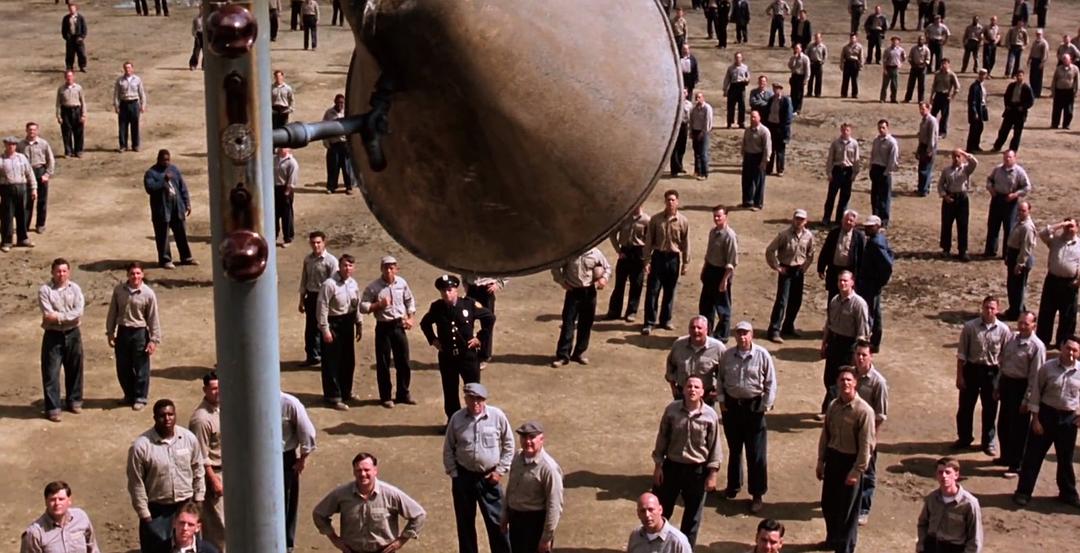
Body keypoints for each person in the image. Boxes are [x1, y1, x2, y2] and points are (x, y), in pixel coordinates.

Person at [651, 377, 722, 548]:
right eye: (689, 386)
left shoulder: (710, 415)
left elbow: (714, 445)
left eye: (696, 387)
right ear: (683, 390)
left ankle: (686, 549)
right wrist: (658, 466)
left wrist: (712, 474)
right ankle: (657, 546)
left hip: (697, 471)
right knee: (662, 510)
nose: (692, 390)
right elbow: (662, 438)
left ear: (702, 392)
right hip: (672, 467)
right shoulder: (672, 410)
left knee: (692, 516)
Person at [127, 399, 205, 553]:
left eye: (171, 414)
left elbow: (198, 469)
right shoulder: (141, 447)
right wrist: (145, 515)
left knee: (190, 547)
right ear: (155, 417)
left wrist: (199, 498)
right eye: (162, 415)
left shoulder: (188, 439)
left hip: (185, 504)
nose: (167, 418)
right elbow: (136, 484)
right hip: (158, 511)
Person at [443, 383, 513, 553]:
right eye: (471, 399)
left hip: (489, 478)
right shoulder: (457, 419)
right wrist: (454, 474)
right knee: (465, 523)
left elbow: (509, 445)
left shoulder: (497, 416)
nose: (475, 403)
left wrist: (500, 471)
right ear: (465, 399)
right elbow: (448, 448)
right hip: (464, 477)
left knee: (497, 522)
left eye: (479, 399)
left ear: (484, 400)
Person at [312, 452, 427, 553]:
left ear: (375, 471)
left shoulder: (391, 494)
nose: (363, 474)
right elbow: (319, 513)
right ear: (354, 472)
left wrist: (401, 540)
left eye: (367, 470)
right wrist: (334, 539)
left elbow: (419, 514)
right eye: (359, 470)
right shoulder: (341, 494)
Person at [1013, 336, 1080, 508]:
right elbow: (1035, 393)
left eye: (1075, 350)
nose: (1070, 353)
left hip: (1068, 419)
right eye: (1068, 348)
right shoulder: (1047, 368)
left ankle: (1068, 493)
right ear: (1061, 347)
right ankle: (1023, 492)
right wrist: (1035, 419)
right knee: (1033, 456)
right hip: (1046, 415)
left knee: (1065, 459)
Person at [718, 322, 777, 513]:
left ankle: (757, 494)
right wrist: (722, 400)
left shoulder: (762, 355)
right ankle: (733, 486)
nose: (742, 337)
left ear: (752, 335)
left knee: (756, 453)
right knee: (734, 449)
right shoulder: (727, 355)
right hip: (732, 407)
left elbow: (770, 382)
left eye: (746, 333)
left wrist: (766, 405)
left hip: (754, 407)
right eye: (739, 333)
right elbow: (720, 379)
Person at [421, 275, 495, 423]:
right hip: (447, 357)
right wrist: (433, 340)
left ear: (456, 290)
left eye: (450, 290)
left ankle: (475, 420)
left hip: (467, 356)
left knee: (473, 389)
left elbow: (489, 318)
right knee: (450, 391)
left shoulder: (468, 304)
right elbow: (425, 323)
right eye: (443, 291)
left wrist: (480, 338)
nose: (447, 294)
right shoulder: (437, 307)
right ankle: (453, 422)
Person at [817, 367, 875, 553]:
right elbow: (825, 435)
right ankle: (832, 539)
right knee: (828, 503)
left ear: (855, 383)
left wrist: (857, 471)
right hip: (833, 459)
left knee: (848, 511)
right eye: (842, 380)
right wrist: (821, 461)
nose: (845, 383)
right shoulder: (833, 406)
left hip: (851, 462)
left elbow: (867, 445)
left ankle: (845, 548)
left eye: (849, 379)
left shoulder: (863, 411)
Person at [954, 295, 1011, 455]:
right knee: (965, 407)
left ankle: (988, 442)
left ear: (997, 310)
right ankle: (964, 438)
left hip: (992, 372)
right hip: (972, 370)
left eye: (992, 308)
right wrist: (960, 376)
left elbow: (1006, 357)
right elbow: (961, 354)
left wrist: (1000, 381)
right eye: (986, 307)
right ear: (982, 308)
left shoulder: (1004, 330)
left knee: (990, 409)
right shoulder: (970, 327)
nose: (989, 311)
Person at [359, 255, 417, 407]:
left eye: (391, 268)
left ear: (396, 269)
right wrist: (378, 305)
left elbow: (409, 300)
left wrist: (410, 318)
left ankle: (403, 393)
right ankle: (385, 396)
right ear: (381, 269)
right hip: (383, 327)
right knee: (383, 363)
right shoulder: (374, 287)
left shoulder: (402, 283)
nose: (389, 271)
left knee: (403, 361)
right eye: (386, 268)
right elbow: (362, 306)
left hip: (399, 325)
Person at [994, 312, 1045, 477]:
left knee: (1019, 429)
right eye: (1020, 322)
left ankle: (1016, 464)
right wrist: (998, 386)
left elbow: (1035, 376)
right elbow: (1003, 363)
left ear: (1034, 326)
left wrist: (1027, 399)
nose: (1022, 326)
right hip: (1007, 384)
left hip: (1021, 387)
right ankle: (1006, 456)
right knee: (1003, 424)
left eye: (1026, 324)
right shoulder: (1012, 339)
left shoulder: (1037, 346)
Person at [500, 422, 564, 553]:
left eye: (532, 437)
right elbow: (511, 488)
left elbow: (554, 505)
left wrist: (546, 538)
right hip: (516, 522)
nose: (527, 441)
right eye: (524, 437)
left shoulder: (549, 468)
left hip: (535, 524)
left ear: (541, 439)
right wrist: (505, 515)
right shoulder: (517, 457)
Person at [106, 262, 162, 410]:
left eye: (138, 273)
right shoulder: (119, 291)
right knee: (123, 367)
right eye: (132, 273)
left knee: (141, 367)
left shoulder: (148, 294)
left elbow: (153, 318)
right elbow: (112, 312)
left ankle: (140, 397)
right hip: (123, 332)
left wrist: (154, 340)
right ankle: (129, 395)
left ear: (142, 274)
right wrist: (110, 332)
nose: (135, 276)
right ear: (127, 275)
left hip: (140, 333)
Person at [37, 258, 84, 423]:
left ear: (68, 272)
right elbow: (47, 314)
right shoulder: (45, 290)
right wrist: (68, 317)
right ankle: (53, 408)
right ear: (52, 272)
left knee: (75, 368)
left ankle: (74, 401)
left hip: (73, 333)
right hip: (53, 335)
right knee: (51, 372)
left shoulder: (75, 289)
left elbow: (79, 311)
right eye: (58, 271)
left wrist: (58, 317)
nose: (61, 274)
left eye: (64, 271)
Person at [819, 271, 870, 417]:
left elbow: (862, 330)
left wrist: (858, 353)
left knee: (841, 378)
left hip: (848, 346)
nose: (842, 283)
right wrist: (824, 343)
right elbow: (829, 324)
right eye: (840, 280)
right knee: (829, 378)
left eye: (845, 281)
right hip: (834, 342)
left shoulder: (859, 304)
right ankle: (835, 407)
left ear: (852, 283)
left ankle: (829, 410)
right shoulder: (834, 301)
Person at [317, 253, 362, 410]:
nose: (347, 268)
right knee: (332, 362)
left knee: (348, 360)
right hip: (333, 323)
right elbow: (322, 307)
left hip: (348, 323)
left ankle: (346, 392)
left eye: (350, 265)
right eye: (344, 265)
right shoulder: (329, 284)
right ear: (339, 266)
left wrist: (359, 323)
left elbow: (356, 304)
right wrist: (325, 329)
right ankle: (333, 396)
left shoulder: (353, 283)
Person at [550, 247, 610, 367]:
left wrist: (604, 278)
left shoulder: (595, 253)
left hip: (589, 292)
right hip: (573, 292)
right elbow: (555, 267)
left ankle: (579, 353)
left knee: (586, 323)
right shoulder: (569, 252)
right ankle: (563, 356)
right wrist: (562, 282)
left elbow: (607, 267)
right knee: (568, 323)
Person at [642, 190, 690, 335]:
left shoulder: (683, 221)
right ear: (665, 201)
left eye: (673, 200)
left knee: (670, 291)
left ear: (677, 202)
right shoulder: (656, 219)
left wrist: (685, 262)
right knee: (653, 291)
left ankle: (666, 320)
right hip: (658, 257)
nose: (670, 202)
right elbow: (649, 241)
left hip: (673, 258)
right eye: (668, 200)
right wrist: (646, 261)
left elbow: (686, 242)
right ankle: (649, 322)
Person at [851, 341, 888, 525]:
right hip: (848, 432)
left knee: (867, 472)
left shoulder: (877, 382)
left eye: (864, 355)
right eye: (858, 354)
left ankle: (863, 508)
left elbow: (880, 415)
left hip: (867, 435)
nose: (860, 358)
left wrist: (872, 439)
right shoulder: (850, 376)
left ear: (871, 357)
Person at [766, 209, 815, 342]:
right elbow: (770, 250)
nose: (799, 221)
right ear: (793, 219)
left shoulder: (809, 236)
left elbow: (811, 253)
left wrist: (805, 267)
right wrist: (776, 266)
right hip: (786, 269)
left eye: (801, 219)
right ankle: (774, 330)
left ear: (806, 221)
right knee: (782, 301)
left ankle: (788, 326)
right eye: (797, 218)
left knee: (796, 300)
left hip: (798, 271)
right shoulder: (784, 235)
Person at [188, 371, 224, 551]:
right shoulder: (201, 419)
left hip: (228, 471)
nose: (218, 392)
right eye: (214, 388)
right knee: (219, 526)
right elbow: (200, 456)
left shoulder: (223, 408)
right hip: (214, 474)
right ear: (205, 390)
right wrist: (213, 480)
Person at [916, 458, 984, 552]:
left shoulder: (969, 504)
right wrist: (921, 544)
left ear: (956, 475)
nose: (944, 476)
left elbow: (975, 538)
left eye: (948, 472)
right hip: (931, 546)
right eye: (940, 472)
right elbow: (923, 523)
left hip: (954, 548)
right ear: (936, 475)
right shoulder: (932, 498)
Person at [143, 150, 195, 269]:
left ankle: (186, 257)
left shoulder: (174, 169)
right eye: (164, 160)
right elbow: (150, 188)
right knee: (163, 236)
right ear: (158, 159)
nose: (166, 162)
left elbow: (182, 187)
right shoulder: (151, 173)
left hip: (176, 206)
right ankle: (165, 260)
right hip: (162, 209)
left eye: (168, 160)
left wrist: (187, 203)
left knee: (181, 233)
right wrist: (163, 181)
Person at [281, 391, 317, 552]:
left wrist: (302, 459)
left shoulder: (289, 403)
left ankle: (286, 545)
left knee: (287, 502)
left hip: (284, 458)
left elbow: (307, 432)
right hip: (256, 457)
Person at [1036, 219, 1080, 349]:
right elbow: (1043, 233)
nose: (1068, 229)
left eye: (1071, 226)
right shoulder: (1055, 241)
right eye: (1066, 226)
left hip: (1070, 283)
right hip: (1052, 280)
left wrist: (1079, 281)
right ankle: (1043, 340)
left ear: (1077, 228)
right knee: (1046, 312)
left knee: (1068, 315)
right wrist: (1060, 224)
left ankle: (1063, 342)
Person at [21, 481, 100, 553]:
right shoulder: (35, 533)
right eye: (52, 499)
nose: (57, 503)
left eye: (61, 499)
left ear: (69, 500)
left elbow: (93, 549)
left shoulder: (81, 518)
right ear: (46, 501)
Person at [298, 231, 338, 366]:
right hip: (311, 296)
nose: (316, 245)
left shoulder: (331, 261)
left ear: (324, 242)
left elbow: (334, 284)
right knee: (310, 328)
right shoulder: (308, 260)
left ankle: (327, 357)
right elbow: (304, 280)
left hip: (325, 298)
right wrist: (301, 299)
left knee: (324, 326)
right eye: (313, 243)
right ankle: (312, 355)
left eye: (318, 242)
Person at [699, 206, 738, 342]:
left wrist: (724, 280)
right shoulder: (713, 232)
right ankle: (707, 332)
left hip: (722, 272)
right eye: (715, 216)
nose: (716, 218)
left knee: (722, 307)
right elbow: (708, 253)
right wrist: (704, 270)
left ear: (725, 216)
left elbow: (732, 261)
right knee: (706, 305)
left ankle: (722, 336)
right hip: (710, 270)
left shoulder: (729, 236)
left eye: (719, 216)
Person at [983, 150, 1032, 259]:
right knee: (993, 225)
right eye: (1005, 157)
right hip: (997, 199)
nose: (1007, 159)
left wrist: (1015, 194)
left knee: (1009, 228)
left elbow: (1027, 187)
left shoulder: (1019, 171)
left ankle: (1007, 253)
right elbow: (989, 180)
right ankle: (990, 250)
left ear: (1014, 158)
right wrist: (990, 188)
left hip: (1010, 201)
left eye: (1009, 157)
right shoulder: (997, 169)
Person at [665, 316, 725, 404]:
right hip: (682, 394)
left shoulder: (718, 348)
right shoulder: (679, 345)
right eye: (692, 327)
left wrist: (717, 391)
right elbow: (670, 365)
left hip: (706, 396)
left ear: (706, 330)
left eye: (699, 328)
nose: (695, 331)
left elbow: (725, 373)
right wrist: (673, 387)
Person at [606, 206, 650, 323]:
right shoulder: (624, 218)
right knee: (619, 283)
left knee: (636, 284)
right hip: (625, 252)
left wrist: (646, 257)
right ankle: (614, 311)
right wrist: (618, 250)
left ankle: (631, 312)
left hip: (638, 253)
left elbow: (650, 240)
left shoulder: (647, 220)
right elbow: (612, 233)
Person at [857, 216, 894, 351]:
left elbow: (887, 264)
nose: (866, 228)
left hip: (870, 284)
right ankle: (875, 342)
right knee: (875, 312)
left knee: (869, 313)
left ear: (877, 227)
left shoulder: (875, 243)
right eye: (866, 226)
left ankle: (869, 341)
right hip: (872, 283)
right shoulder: (879, 239)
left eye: (870, 226)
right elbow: (891, 254)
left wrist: (880, 281)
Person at [938, 149, 979, 262]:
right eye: (954, 156)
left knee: (963, 225)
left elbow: (975, 162)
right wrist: (944, 196)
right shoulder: (947, 170)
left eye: (958, 156)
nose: (956, 159)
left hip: (962, 199)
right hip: (950, 198)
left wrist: (965, 154)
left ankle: (963, 250)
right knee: (946, 224)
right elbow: (941, 185)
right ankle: (946, 249)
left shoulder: (966, 169)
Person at [1, 136, 38, 251]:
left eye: (13, 144)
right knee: (7, 216)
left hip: (22, 187)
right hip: (7, 188)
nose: (11, 146)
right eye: (8, 144)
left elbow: (29, 173)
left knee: (22, 213)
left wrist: (34, 188)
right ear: (5, 145)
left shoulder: (21, 158)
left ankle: (23, 238)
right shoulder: (1, 159)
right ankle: (7, 241)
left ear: (16, 146)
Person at [460, 274, 505, 368]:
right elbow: (464, 268)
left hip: (487, 289)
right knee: (466, 322)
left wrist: (499, 284)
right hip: (472, 288)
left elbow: (507, 268)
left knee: (487, 323)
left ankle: (484, 356)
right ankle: (467, 353)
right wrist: (465, 282)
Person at [17, 123, 55, 235]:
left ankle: (40, 225)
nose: (32, 132)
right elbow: (17, 160)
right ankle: (25, 225)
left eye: (34, 130)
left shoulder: (43, 143)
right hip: (27, 174)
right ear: (26, 130)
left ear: (37, 131)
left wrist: (47, 174)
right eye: (30, 129)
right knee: (27, 201)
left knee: (42, 201)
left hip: (40, 172)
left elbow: (51, 159)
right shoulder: (20, 145)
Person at [817, 211, 865, 300]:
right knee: (833, 297)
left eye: (851, 221)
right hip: (834, 271)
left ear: (855, 223)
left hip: (850, 271)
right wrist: (821, 268)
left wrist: (860, 275)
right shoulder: (834, 233)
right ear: (842, 220)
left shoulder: (859, 236)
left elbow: (862, 256)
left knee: (848, 297)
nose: (848, 222)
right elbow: (825, 251)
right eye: (846, 220)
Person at [626, 492, 692, 553]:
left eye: (651, 509)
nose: (647, 515)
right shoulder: (635, 536)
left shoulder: (678, 542)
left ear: (660, 510)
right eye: (643, 511)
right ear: (638, 514)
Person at [1002, 201, 1036, 320]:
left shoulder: (1027, 227)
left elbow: (1026, 248)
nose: (1020, 212)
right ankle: (1015, 308)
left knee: (1018, 287)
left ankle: (1017, 312)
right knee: (1012, 285)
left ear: (1028, 211)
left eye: (1023, 211)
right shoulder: (1018, 222)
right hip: (1014, 255)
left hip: (1020, 257)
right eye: (1019, 210)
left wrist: (1020, 263)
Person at [824, 123, 861, 225]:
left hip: (848, 171)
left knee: (844, 198)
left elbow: (856, 159)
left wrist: (854, 173)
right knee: (831, 196)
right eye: (843, 130)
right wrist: (829, 172)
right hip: (837, 170)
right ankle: (826, 218)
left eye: (847, 130)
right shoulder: (835, 143)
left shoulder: (854, 144)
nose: (845, 132)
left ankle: (839, 220)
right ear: (841, 130)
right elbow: (830, 158)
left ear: (850, 131)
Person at [992, 71, 1035, 152]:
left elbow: (1031, 101)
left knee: (1017, 132)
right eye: (1017, 76)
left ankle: (1013, 149)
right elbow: (1006, 96)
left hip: (1020, 112)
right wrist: (1007, 105)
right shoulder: (1011, 86)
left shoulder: (1027, 88)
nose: (1019, 77)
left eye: (1020, 76)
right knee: (1004, 130)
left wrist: (1023, 107)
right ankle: (997, 146)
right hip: (1011, 109)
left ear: (1023, 77)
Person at [868, 120, 900, 227]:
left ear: (887, 128)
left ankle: (884, 220)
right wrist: (871, 168)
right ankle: (875, 218)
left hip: (884, 170)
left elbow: (893, 159)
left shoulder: (891, 142)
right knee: (875, 196)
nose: (881, 130)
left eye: (883, 128)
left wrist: (887, 172)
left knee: (884, 197)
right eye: (879, 128)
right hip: (875, 169)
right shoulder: (876, 141)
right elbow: (872, 155)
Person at [322, 94, 356, 193]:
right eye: (338, 102)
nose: (340, 104)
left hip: (344, 143)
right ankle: (331, 187)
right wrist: (326, 142)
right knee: (333, 166)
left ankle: (348, 187)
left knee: (346, 167)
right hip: (333, 144)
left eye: (342, 103)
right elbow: (323, 127)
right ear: (335, 102)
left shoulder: (347, 113)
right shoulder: (329, 113)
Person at [113, 62, 147, 153]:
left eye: (129, 68)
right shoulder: (120, 80)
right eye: (126, 68)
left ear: (132, 69)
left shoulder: (137, 79)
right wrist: (116, 106)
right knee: (122, 126)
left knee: (135, 125)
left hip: (134, 103)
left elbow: (141, 93)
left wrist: (143, 105)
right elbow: (116, 94)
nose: (127, 69)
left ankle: (135, 145)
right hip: (124, 104)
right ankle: (123, 145)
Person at [741, 111, 772, 210]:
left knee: (759, 182)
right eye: (751, 117)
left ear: (759, 118)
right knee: (746, 180)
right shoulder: (747, 130)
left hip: (758, 157)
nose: (752, 119)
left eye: (754, 117)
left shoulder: (764, 131)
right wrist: (743, 154)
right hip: (748, 156)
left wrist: (764, 161)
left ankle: (758, 203)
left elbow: (767, 148)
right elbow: (744, 143)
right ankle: (747, 201)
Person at [55, 70, 86, 159]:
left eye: (70, 76)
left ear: (73, 77)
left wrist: (83, 114)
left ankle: (78, 151)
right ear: (65, 78)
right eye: (67, 76)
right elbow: (58, 104)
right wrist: (58, 116)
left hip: (77, 110)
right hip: (65, 111)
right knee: (66, 132)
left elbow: (83, 102)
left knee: (79, 132)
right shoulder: (61, 89)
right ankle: (68, 151)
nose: (69, 78)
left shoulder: (78, 88)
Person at [764, 84, 793, 177]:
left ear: (781, 90)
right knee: (770, 148)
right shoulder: (771, 99)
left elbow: (788, 116)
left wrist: (784, 129)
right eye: (774, 89)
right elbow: (767, 112)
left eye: (777, 89)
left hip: (780, 128)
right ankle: (769, 169)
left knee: (780, 150)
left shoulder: (786, 100)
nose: (775, 90)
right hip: (771, 126)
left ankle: (780, 169)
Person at [929, 59, 960, 137]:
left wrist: (952, 96)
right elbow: (934, 86)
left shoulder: (951, 75)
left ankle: (942, 132)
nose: (943, 65)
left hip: (945, 96)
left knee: (944, 115)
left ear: (948, 65)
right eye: (942, 64)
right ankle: (931, 129)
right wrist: (931, 97)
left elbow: (957, 87)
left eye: (945, 64)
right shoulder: (937, 74)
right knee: (933, 113)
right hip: (938, 95)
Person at [274, 147, 298, 247]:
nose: (281, 149)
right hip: (274, 188)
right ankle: (273, 236)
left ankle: (288, 238)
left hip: (284, 189)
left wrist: (287, 192)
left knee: (286, 215)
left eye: (283, 147)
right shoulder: (274, 159)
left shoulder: (291, 162)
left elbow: (292, 178)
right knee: (274, 214)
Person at [915, 102, 939, 197]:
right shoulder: (924, 120)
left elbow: (932, 137)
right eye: (920, 109)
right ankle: (923, 188)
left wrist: (930, 150)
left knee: (925, 169)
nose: (921, 111)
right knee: (922, 167)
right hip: (923, 145)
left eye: (923, 109)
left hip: (928, 147)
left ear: (928, 109)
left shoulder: (931, 121)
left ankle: (923, 190)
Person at [689, 92, 714, 180]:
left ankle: (704, 173)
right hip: (695, 131)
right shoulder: (694, 109)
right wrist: (691, 132)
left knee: (703, 153)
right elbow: (691, 121)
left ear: (703, 98)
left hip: (703, 132)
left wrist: (703, 133)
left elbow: (708, 122)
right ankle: (697, 171)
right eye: (696, 97)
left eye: (699, 97)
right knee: (696, 153)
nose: (697, 99)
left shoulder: (707, 108)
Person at [1050, 53, 1078, 129]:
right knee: (1057, 109)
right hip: (1059, 91)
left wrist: (1076, 91)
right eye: (1064, 60)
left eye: (1066, 60)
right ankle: (1055, 124)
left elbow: (1077, 81)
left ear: (1070, 60)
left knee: (1068, 109)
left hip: (1069, 92)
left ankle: (1066, 124)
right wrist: (1053, 91)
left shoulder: (1075, 69)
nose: (1065, 61)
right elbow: (1054, 80)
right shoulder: (1058, 69)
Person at [723, 52, 751, 128]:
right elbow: (727, 79)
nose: (738, 59)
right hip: (733, 86)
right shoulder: (730, 68)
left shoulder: (745, 67)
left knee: (742, 106)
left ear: (741, 58)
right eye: (736, 57)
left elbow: (748, 76)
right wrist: (725, 89)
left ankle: (741, 122)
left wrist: (747, 80)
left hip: (741, 86)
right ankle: (729, 122)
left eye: (739, 57)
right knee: (731, 106)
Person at [966, 69, 989, 152]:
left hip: (981, 108)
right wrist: (974, 112)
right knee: (974, 129)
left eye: (984, 74)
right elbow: (972, 101)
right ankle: (970, 147)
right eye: (981, 74)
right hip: (976, 110)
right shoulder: (974, 86)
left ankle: (976, 145)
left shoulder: (982, 85)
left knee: (979, 128)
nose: (983, 76)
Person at [60, 4, 87, 73]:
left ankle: (82, 66)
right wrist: (66, 37)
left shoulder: (80, 18)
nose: (71, 10)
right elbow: (63, 29)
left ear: (76, 9)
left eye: (73, 9)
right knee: (70, 54)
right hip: (70, 39)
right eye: (70, 9)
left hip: (79, 38)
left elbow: (84, 28)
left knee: (81, 53)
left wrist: (82, 37)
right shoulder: (66, 18)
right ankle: (69, 67)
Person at [671, 89, 692, 177]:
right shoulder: (676, 103)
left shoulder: (689, 104)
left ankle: (680, 166)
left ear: (687, 94)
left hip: (684, 125)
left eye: (685, 92)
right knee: (674, 147)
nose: (684, 94)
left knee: (682, 147)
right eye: (682, 92)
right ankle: (674, 169)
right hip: (676, 126)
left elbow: (690, 116)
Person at [904, 35, 931, 103]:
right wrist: (913, 64)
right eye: (919, 40)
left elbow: (928, 59)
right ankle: (907, 98)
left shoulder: (926, 50)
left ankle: (920, 99)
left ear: (924, 41)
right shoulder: (913, 49)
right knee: (911, 84)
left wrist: (923, 65)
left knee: (921, 84)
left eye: (922, 40)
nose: (920, 41)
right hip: (914, 68)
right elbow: (910, 58)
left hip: (922, 68)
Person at [880, 36, 905, 103]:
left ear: (898, 42)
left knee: (894, 85)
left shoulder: (901, 50)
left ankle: (893, 99)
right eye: (893, 41)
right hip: (888, 67)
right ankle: (882, 98)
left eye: (896, 41)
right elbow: (884, 60)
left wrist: (900, 64)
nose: (895, 42)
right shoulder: (887, 50)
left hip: (895, 68)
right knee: (885, 85)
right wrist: (884, 69)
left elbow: (903, 58)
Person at [840, 34, 865, 98]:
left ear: (856, 39)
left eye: (853, 38)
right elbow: (842, 57)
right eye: (851, 38)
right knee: (845, 79)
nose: (852, 39)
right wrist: (841, 65)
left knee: (854, 80)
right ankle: (844, 93)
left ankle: (854, 94)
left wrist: (861, 65)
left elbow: (861, 56)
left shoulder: (859, 47)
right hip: (847, 63)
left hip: (855, 63)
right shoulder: (845, 47)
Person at [1028, 28, 1050, 98]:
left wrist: (1042, 63)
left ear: (1042, 34)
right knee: (1032, 77)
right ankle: (1032, 91)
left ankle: (1037, 93)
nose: (1038, 35)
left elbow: (1045, 54)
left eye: (1039, 34)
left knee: (1038, 78)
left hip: (1039, 61)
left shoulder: (1044, 43)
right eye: (1037, 34)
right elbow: (1032, 51)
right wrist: (1029, 59)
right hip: (1033, 60)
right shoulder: (1035, 42)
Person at [808, 32, 828, 98]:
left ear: (821, 38)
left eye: (818, 38)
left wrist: (823, 61)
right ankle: (809, 92)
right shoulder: (810, 45)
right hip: (812, 63)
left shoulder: (823, 46)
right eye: (816, 38)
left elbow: (825, 55)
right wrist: (809, 61)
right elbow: (807, 53)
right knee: (810, 79)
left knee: (818, 79)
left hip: (819, 64)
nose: (817, 39)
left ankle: (818, 93)